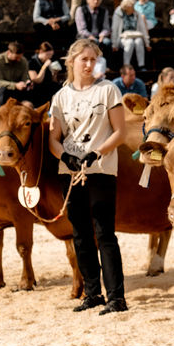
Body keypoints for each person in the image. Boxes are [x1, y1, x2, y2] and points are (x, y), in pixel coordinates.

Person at [50, 38, 128, 314]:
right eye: (83, 59)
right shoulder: (60, 97)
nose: (89, 64)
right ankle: (92, 293)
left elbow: (120, 131)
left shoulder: (108, 90)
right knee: (80, 235)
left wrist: (97, 152)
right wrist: (65, 156)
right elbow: (54, 139)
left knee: (104, 233)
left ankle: (117, 297)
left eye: (93, 59)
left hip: (101, 170)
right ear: (71, 61)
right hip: (69, 172)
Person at [0, 41, 31, 107]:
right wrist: (15, 85)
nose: (18, 60)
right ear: (9, 53)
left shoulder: (23, 61)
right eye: (16, 58)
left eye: (20, 57)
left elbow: (25, 77)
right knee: (4, 92)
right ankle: (3, 115)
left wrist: (27, 83)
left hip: (14, 89)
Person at [111, 0, 150, 68]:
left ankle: (141, 65)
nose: (133, 8)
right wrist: (114, 44)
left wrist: (147, 43)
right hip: (123, 37)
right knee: (130, 42)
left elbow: (143, 28)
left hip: (135, 35)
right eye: (131, 7)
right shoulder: (118, 13)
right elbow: (115, 29)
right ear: (126, 7)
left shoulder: (137, 13)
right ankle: (126, 65)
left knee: (139, 41)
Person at [27, 41, 62, 106]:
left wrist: (55, 73)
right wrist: (44, 66)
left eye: (51, 55)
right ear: (41, 52)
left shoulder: (48, 62)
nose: (49, 57)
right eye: (48, 55)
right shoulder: (32, 62)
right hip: (37, 90)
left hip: (48, 88)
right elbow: (37, 80)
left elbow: (54, 80)